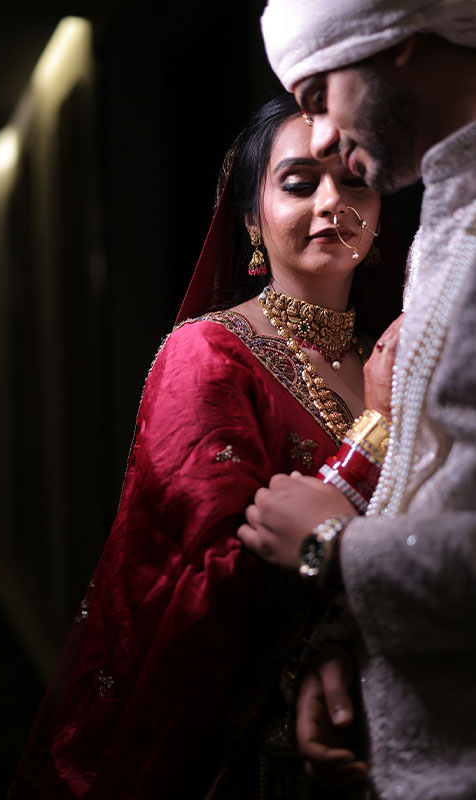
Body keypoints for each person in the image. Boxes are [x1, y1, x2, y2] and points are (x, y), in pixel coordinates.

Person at [7, 92, 397, 800]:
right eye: (299, 183)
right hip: (263, 746)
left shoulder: (387, 358)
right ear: (251, 218)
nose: (332, 202)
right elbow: (208, 578)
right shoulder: (209, 355)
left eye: (355, 180)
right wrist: (374, 438)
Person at [239, 2, 476, 799]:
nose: (322, 140)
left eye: (318, 96)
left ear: (395, 44)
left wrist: (332, 550)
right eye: (296, 182)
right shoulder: (446, 222)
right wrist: (348, 643)